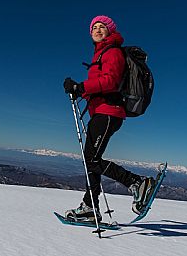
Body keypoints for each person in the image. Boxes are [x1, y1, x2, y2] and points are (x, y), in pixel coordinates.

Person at [63, 15, 154, 222]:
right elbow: (100, 86)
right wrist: (79, 90)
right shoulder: (100, 54)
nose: (97, 29)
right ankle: (89, 207)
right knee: (90, 160)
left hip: (108, 112)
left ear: (110, 31)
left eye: (102, 26)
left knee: (92, 160)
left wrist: (81, 87)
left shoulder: (112, 51)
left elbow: (111, 81)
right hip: (101, 111)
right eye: (94, 27)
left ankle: (137, 183)